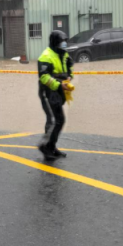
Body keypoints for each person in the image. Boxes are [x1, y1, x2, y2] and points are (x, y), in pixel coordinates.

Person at [37, 30, 73, 160]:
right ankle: (44, 146)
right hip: (47, 92)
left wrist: (69, 77)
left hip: (59, 92)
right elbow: (44, 77)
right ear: (55, 42)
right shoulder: (45, 56)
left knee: (60, 120)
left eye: (64, 42)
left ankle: (51, 146)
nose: (64, 45)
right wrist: (58, 84)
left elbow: (70, 67)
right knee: (53, 120)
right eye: (61, 42)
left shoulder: (64, 54)